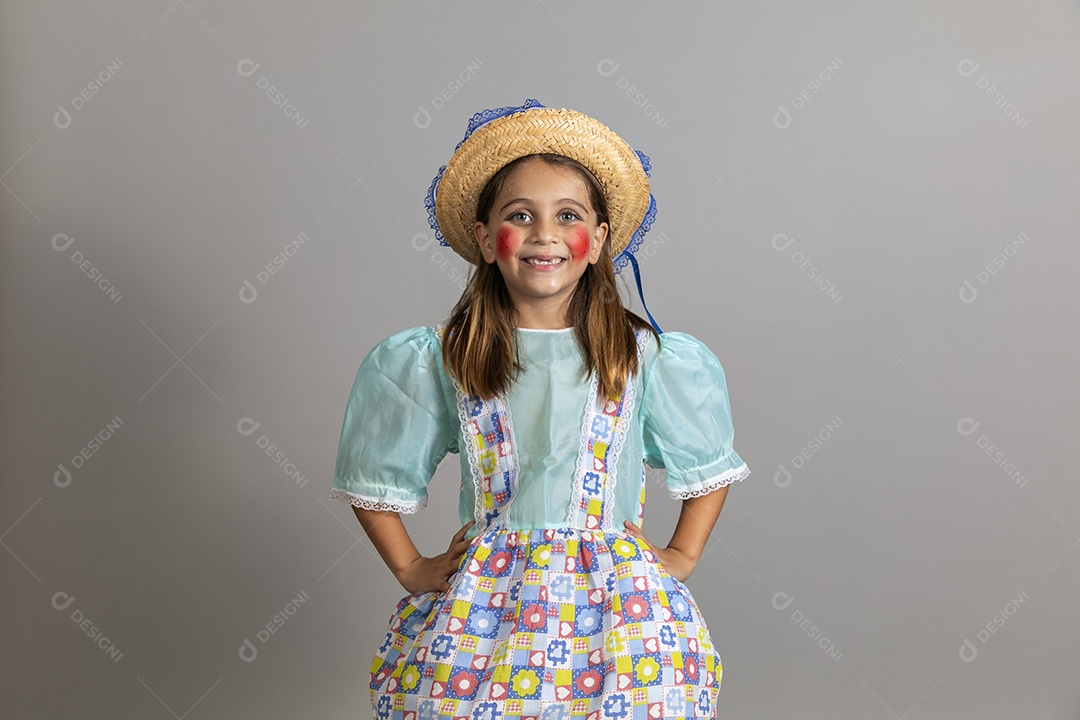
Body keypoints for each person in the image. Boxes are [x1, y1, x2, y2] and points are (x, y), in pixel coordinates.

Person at [330, 99, 751, 720]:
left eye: (568, 216)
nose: (544, 234)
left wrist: (681, 556)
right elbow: (375, 474)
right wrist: (412, 567)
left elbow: (707, 466)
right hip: (486, 606)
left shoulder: (645, 358)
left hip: (618, 609)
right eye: (519, 216)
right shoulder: (444, 356)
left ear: (599, 238)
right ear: (484, 238)